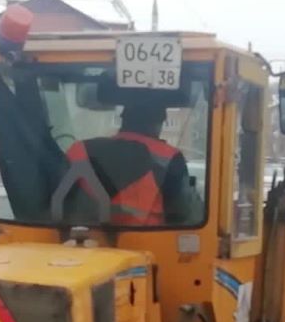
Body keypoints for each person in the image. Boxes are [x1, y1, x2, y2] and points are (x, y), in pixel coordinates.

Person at [65, 97, 200, 226]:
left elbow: (61, 202)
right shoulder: (170, 157)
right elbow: (182, 214)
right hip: (152, 243)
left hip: (82, 242)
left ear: (123, 120)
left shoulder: (78, 150)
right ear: (158, 123)